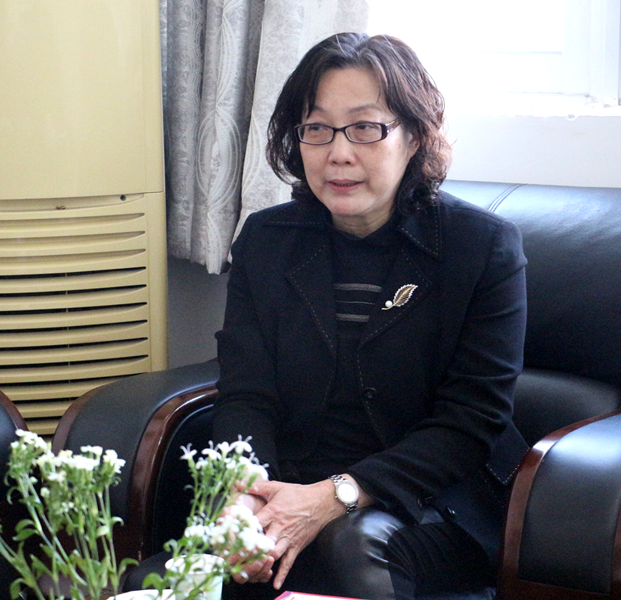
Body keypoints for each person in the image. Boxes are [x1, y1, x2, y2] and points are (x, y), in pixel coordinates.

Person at [211, 32, 529, 600]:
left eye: (364, 128)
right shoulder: (266, 241)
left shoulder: (480, 248)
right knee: (166, 577)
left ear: (414, 137)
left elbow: (471, 421)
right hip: (289, 488)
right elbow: (246, 393)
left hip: (429, 503)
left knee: (350, 547)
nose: (338, 153)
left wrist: (333, 497)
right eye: (316, 129)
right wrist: (246, 497)